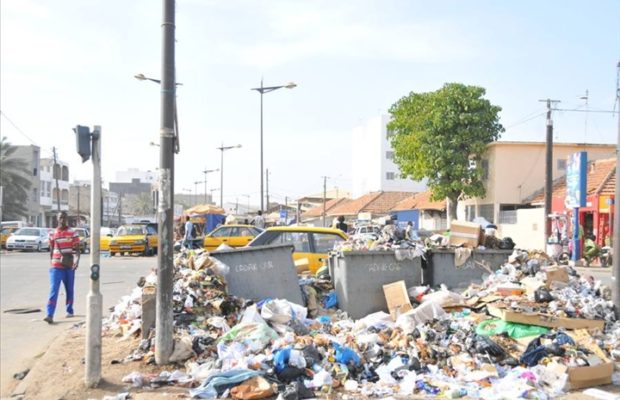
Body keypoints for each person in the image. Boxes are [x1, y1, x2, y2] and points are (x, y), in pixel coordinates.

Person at [45, 211, 80, 324]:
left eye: (64, 218)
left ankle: (69, 309)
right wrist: (51, 262)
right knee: (53, 290)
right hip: (56, 266)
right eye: (60, 218)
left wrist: (76, 261)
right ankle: (50, 314)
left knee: (69, 289)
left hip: (69, 266)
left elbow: (77, 250)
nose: (62, 220)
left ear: (67, 219)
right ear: (57, 218)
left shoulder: (72, 233)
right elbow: (51, 249)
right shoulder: (52, 233)